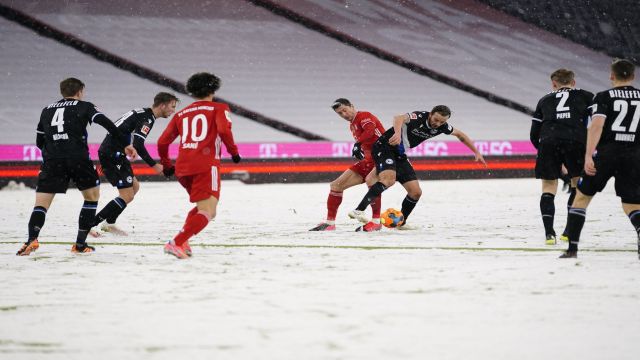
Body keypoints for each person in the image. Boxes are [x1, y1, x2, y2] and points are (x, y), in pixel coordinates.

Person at [17, 77, 137, 256]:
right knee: (91, 198)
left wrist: (54, 151)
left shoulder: (46, 110)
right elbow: (106, 123)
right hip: (78, 158)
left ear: (62, 92)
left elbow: (39, 141)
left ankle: (31, 239)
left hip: (52, 161)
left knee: (41, 204)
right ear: (80, 91)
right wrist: (124, 142)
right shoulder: (85, 106)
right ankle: (80, 244)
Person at [348, 105, 486, 229]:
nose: (437, 124)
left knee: (415, 192)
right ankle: (359, 210)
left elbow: (460, 135)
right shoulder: (419, 116)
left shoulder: (443, 127)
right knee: (388, 180)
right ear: (431, 114)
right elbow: (398, 117)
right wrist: (397, 133)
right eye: (435, 119)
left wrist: (476, 152)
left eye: (441, 122)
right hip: (384, 146)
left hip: (400, 153)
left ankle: (401, 222)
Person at [561, 59, 640, 259]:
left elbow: (596, 126)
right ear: (633, 76)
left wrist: (588, 155)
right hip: (634, 155)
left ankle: (572, 249)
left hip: (607, 154)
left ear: (611, 76)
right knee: (632, 204)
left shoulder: (604, 97)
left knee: (581, 197)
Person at [157, 72, 241, 259]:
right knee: (207, 212)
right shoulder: (219, 108)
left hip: (183, 167)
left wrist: (167, 164)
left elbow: (162, 142)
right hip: (205, 165)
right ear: (213, 89)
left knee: (204, 208)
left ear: (192, 92)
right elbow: (223, 130)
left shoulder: (181, 114)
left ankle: (183, 241)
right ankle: (177, 242)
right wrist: (233, 152)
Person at [91, 92, 178, 236]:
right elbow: (139, 144)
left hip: (117, 152)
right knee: (127, 195)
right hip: (111, 155)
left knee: (134, 187)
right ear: (162, 105)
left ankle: (109, 223)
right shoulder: (147, 118)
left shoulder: (143, 112)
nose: (173, 111)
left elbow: (121, 129)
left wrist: (126, 146)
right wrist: (154, 165)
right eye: (172, 106)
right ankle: (90, 224)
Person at [530, 69, 593, 245]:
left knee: (548, 188)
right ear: (573, 82)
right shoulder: (587, 96)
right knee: (576, 185)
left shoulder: (544, 100)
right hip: (576, 141)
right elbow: (596, 122)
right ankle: (568, 231)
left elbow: (534, 133)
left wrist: (542, 149)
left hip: (549, 142)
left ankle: (549, 234)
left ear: (554, 84)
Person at [309, 98, 386, 232]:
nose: (344, 114)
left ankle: (376, 222)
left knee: (372, 182)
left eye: (345, 110)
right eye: (340, 113)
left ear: (352, 106)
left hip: (383, 157)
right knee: (336, 185)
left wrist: (358, 144)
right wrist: (362, 150)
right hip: (369, 160)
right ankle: (330, 223)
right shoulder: (352, 125)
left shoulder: (364, 116)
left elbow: (370, 130)